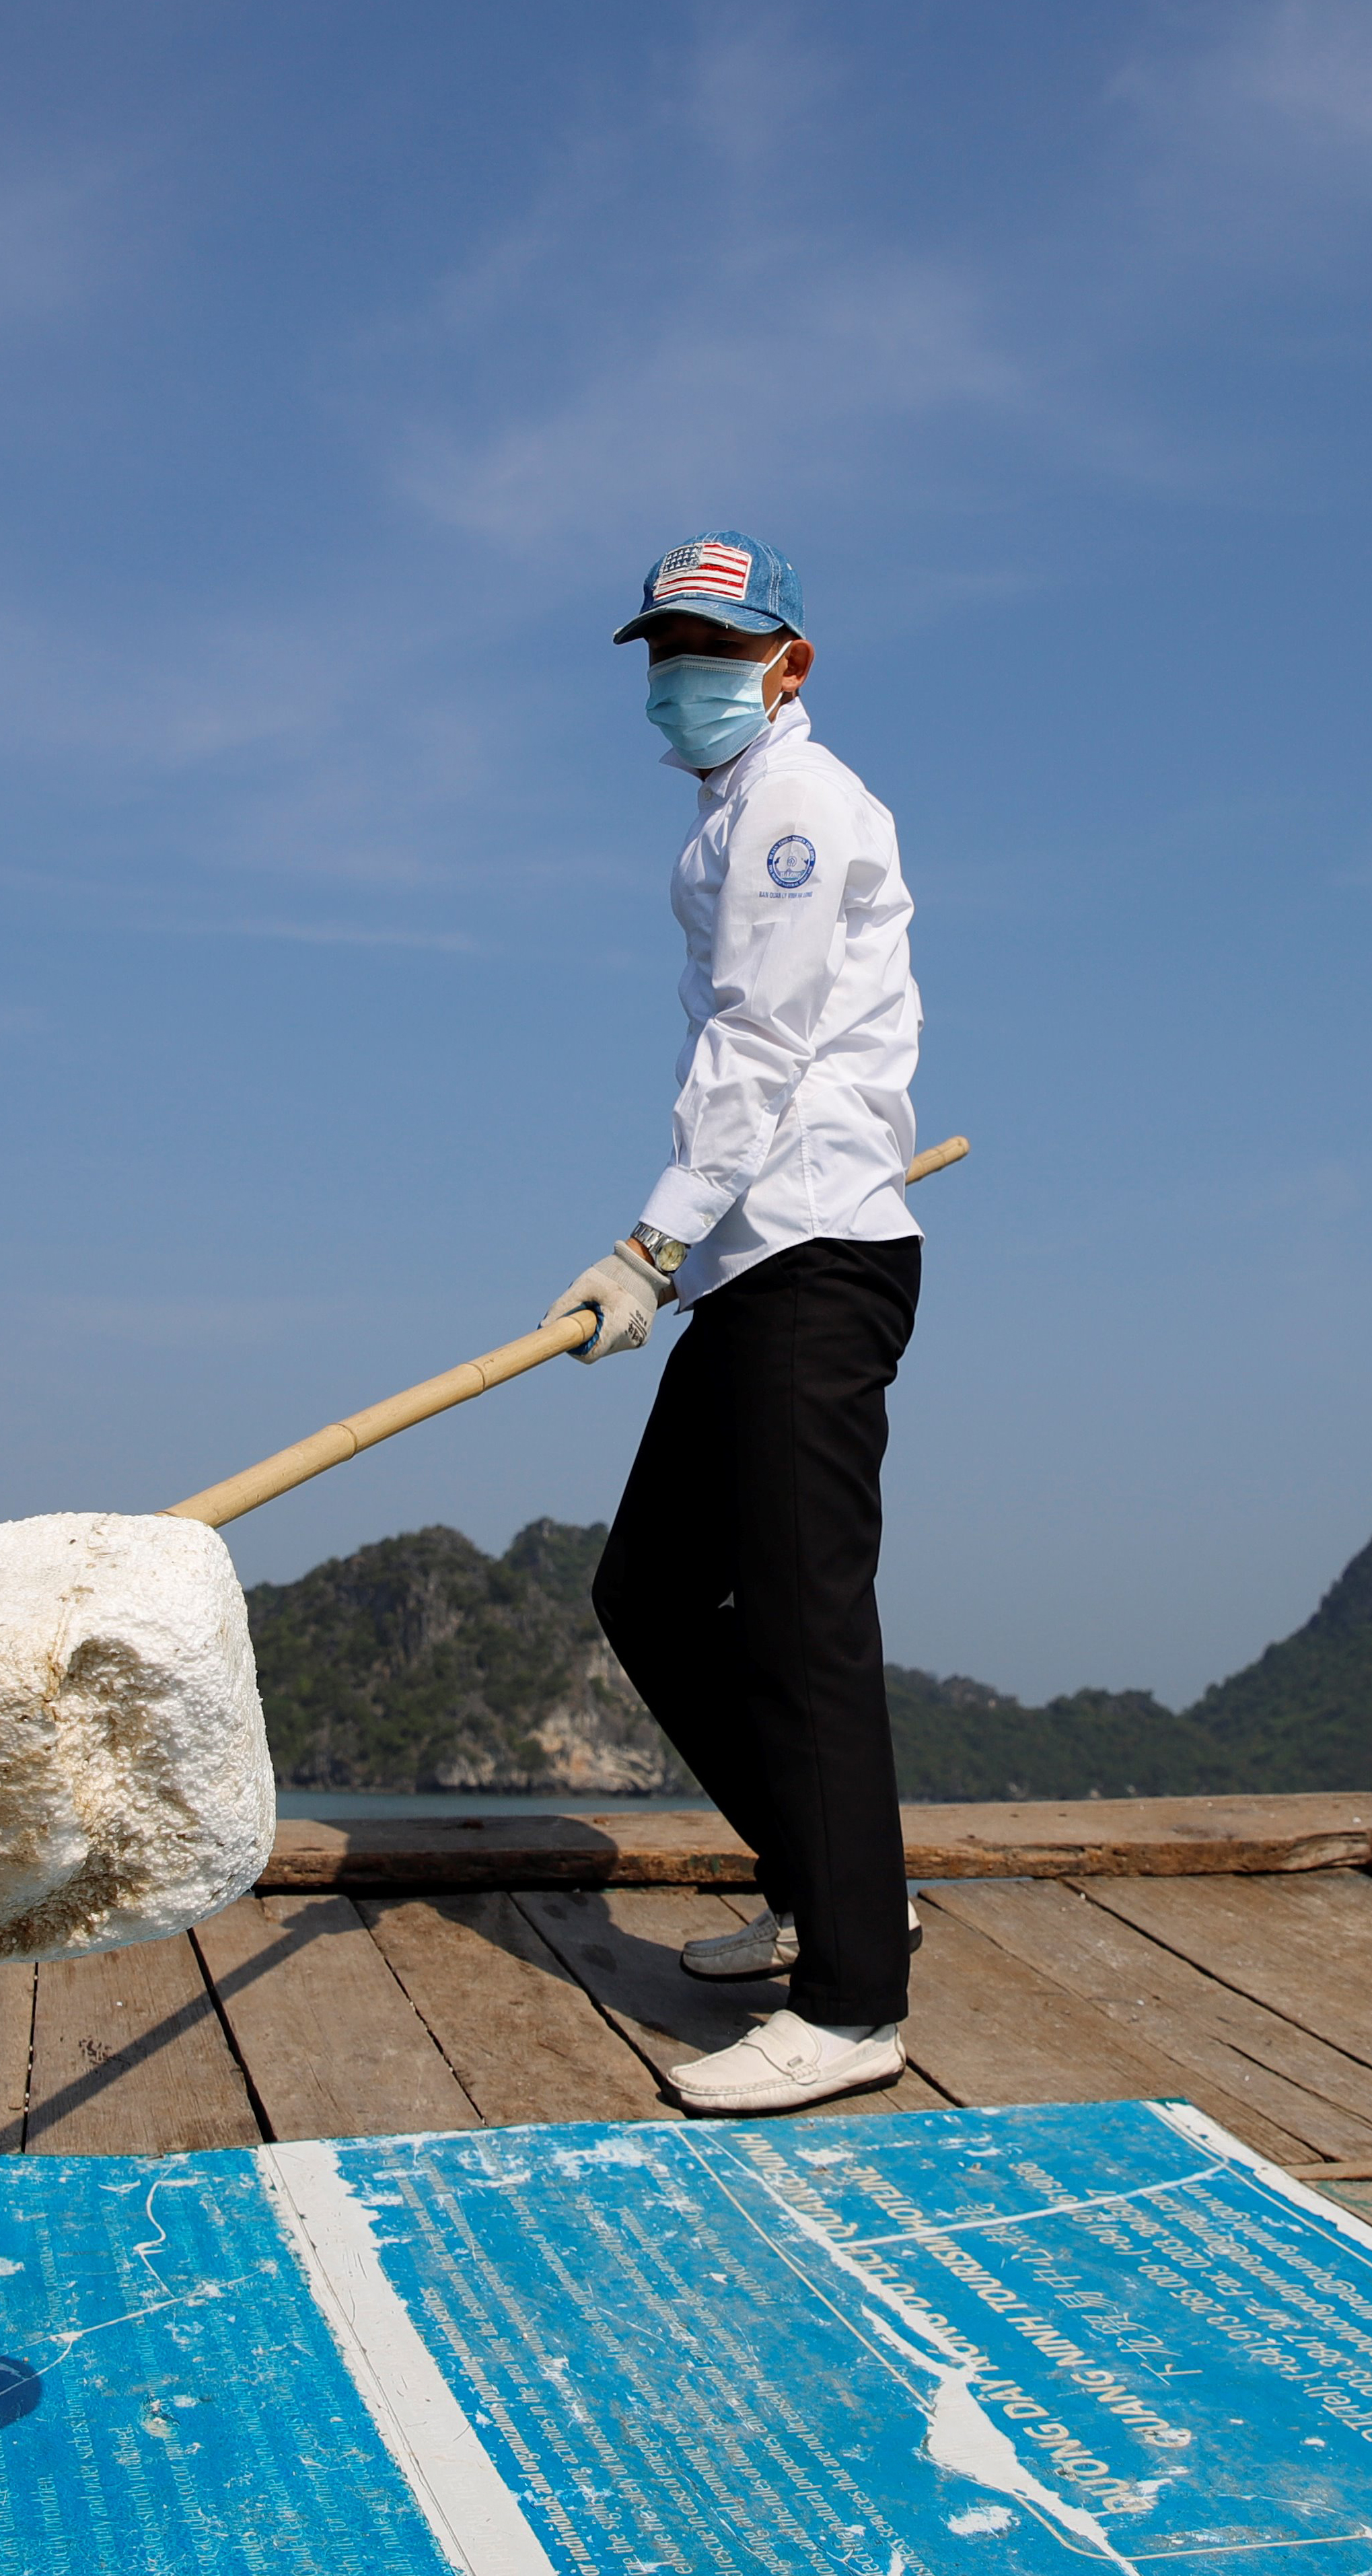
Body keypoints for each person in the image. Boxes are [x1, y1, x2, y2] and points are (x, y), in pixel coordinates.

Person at [544, 530, 926, 2116]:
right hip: (753, 1264)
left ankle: (853, 2001)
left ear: (789, 661)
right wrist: (682, 1256)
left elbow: (761, 1045)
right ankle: (825, 1880)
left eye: (713, 647)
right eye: (663, 649)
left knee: (804, 1621)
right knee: (648, 1588)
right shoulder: (727, 816)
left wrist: (643, 1242)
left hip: (818, 1256)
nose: (680, 677)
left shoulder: (797, 804)